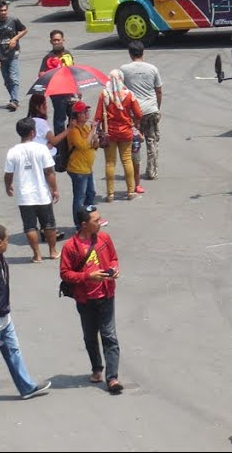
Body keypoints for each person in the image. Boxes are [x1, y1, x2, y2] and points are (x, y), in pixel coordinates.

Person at [0, 223, 53, 412]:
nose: (8, 243)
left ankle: (26, 387)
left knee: (14, 352)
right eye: (6, 239)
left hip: (4, 318)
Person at [59, 209, 123, 394]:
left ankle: (112, 378)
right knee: (90, 336)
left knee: (109, 335)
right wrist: (88, 276)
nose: (100, 222)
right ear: (84, 224)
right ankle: (97, 369)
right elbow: (65, 273)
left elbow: (113, 258)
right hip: (85, 299)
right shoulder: (71, 247)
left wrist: (114, 268)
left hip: (106, 295)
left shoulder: (104, 239)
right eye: (96, 220)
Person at [4, 117, 60, 262]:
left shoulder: (13, 151)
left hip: (24, 196)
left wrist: (8, 186)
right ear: (32, 133)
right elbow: (49, 172)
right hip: (42, 193)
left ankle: (37, 255)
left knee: (30, 227)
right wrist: (54, 189)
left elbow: (8, 173)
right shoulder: (41, 148)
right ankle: (53, 251)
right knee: (49, 224)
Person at [96, 69, 143, 202]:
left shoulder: (104, 94)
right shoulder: (129, 95)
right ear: (122, 79)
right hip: (126, 132)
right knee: (127, 160)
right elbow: (139, 114)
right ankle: (130, 191)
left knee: (110, 163)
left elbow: (98, 116)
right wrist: (133, 121)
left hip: (109, 133)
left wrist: (96, 129)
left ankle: (110, 194)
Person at [121, 41, 162, 182]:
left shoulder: (124, 69)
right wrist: (158, 107)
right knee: (152, 140)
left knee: (134, 142)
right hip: (151, 109)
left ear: (130, 53)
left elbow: (121, 90)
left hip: (133, 112)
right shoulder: (152, 69)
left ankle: (134, 172)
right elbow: (159, 90)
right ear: (143, 52)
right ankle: (152, 171)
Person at [65, 100, 101, 230]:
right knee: (80, 197)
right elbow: (82, 145)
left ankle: (90, 218)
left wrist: (96, 138)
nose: (87, 114)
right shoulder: (74, 130)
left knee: (91, 193)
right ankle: (79, 224)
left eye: (87, 111)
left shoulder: (85, 127)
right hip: (78, 169)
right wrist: (92, 131)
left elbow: (93, 146)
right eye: (84, 112)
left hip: (87, 168)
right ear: (76, 115)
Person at [0, 0, 27, 112]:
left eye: (5, 10)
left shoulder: (13, 21)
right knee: (7, 80)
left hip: (13, 53)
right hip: (1, 54)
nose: (4, 12)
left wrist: (15, 38)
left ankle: (14, 100)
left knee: (14, 77)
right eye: (1, 10)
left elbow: (24, 30)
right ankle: (13, 99)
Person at [39, 29, 74, 135]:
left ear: (63, 40)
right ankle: (60, 146)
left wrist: (77, 89)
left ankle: (71, 140)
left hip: (70, 90)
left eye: (59, 40)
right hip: (57, 93)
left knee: (74, 116)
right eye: (54, 40)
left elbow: (73, 71)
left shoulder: (68, 54)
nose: (57, 42)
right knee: (60, 120)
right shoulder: (48, 57)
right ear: (51, 42)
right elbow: (41, 74)